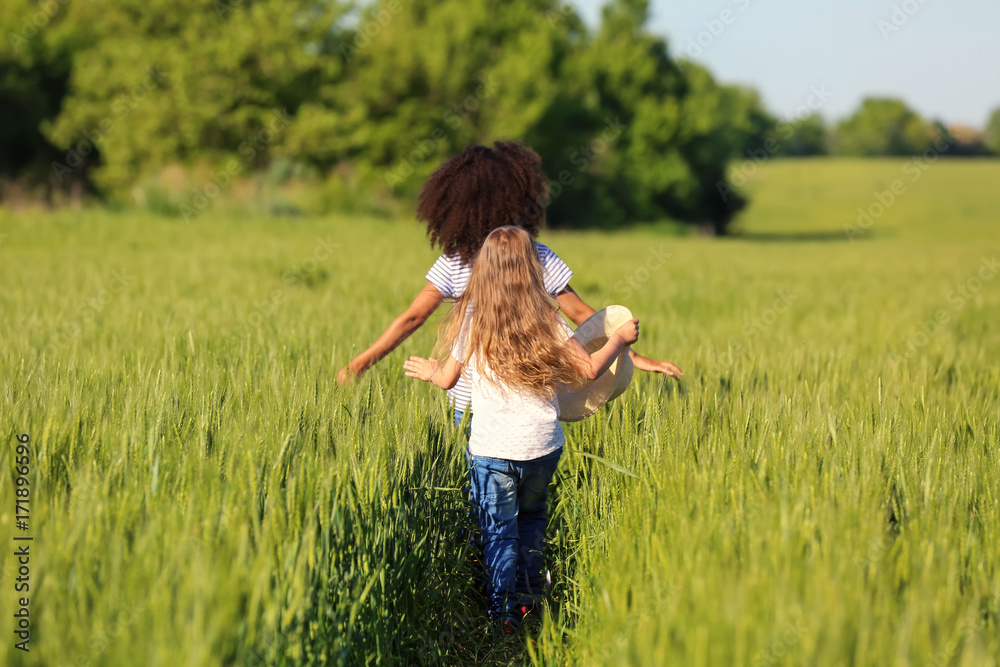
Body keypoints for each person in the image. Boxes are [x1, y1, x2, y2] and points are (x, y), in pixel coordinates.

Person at [336, 141, 682, 425]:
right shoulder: (534, 255)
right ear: (518, 199)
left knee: (478, 480)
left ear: (456, 204)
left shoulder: (456, 261)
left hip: (468, 404)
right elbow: (584, 316)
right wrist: (630, 353)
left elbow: (412, 318)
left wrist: (359, 364)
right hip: (527, 404)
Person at [403, 226, 640, 634]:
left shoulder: (473, 322)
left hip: (492, 451)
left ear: (484, 270)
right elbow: (588, 370)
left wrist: (430, 370)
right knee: (531, 519)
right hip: (542, 446)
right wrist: (618, 339)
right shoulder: (547, 320)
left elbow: (447, 380)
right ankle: (529, 599)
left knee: (499, 532)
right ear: (532, 269)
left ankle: (503, 614)